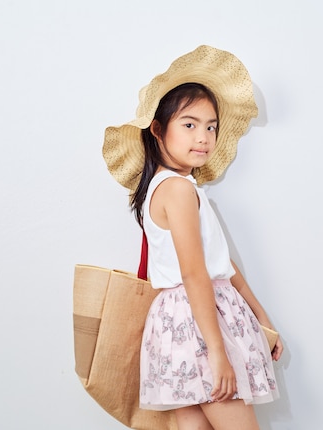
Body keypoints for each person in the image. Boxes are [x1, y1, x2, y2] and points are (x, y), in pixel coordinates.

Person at [102, 45, 282, 430]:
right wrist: (218, 352)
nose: (203, 137)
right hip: (199, 328)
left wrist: (261, 315)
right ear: (157, 129)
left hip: (175, 327)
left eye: (211, 126)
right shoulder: (178, 190)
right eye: (189, 124)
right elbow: (196, 273)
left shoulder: (170, 187)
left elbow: (220, 261)